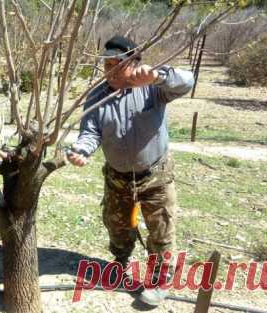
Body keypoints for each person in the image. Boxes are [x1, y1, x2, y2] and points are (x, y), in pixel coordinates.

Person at [67, 36, 194, 306]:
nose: (110, 71)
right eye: (107, 65)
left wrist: (157, 76)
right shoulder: (97, 96)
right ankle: (120, 263)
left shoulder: (152, 89)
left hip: (155, 176)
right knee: (117, 227)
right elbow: (90, 132)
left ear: (135, 63)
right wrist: (81, 150)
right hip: (117, 177)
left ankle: (159, 280)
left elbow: (187, 82)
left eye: (117, 65)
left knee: (161, 230)